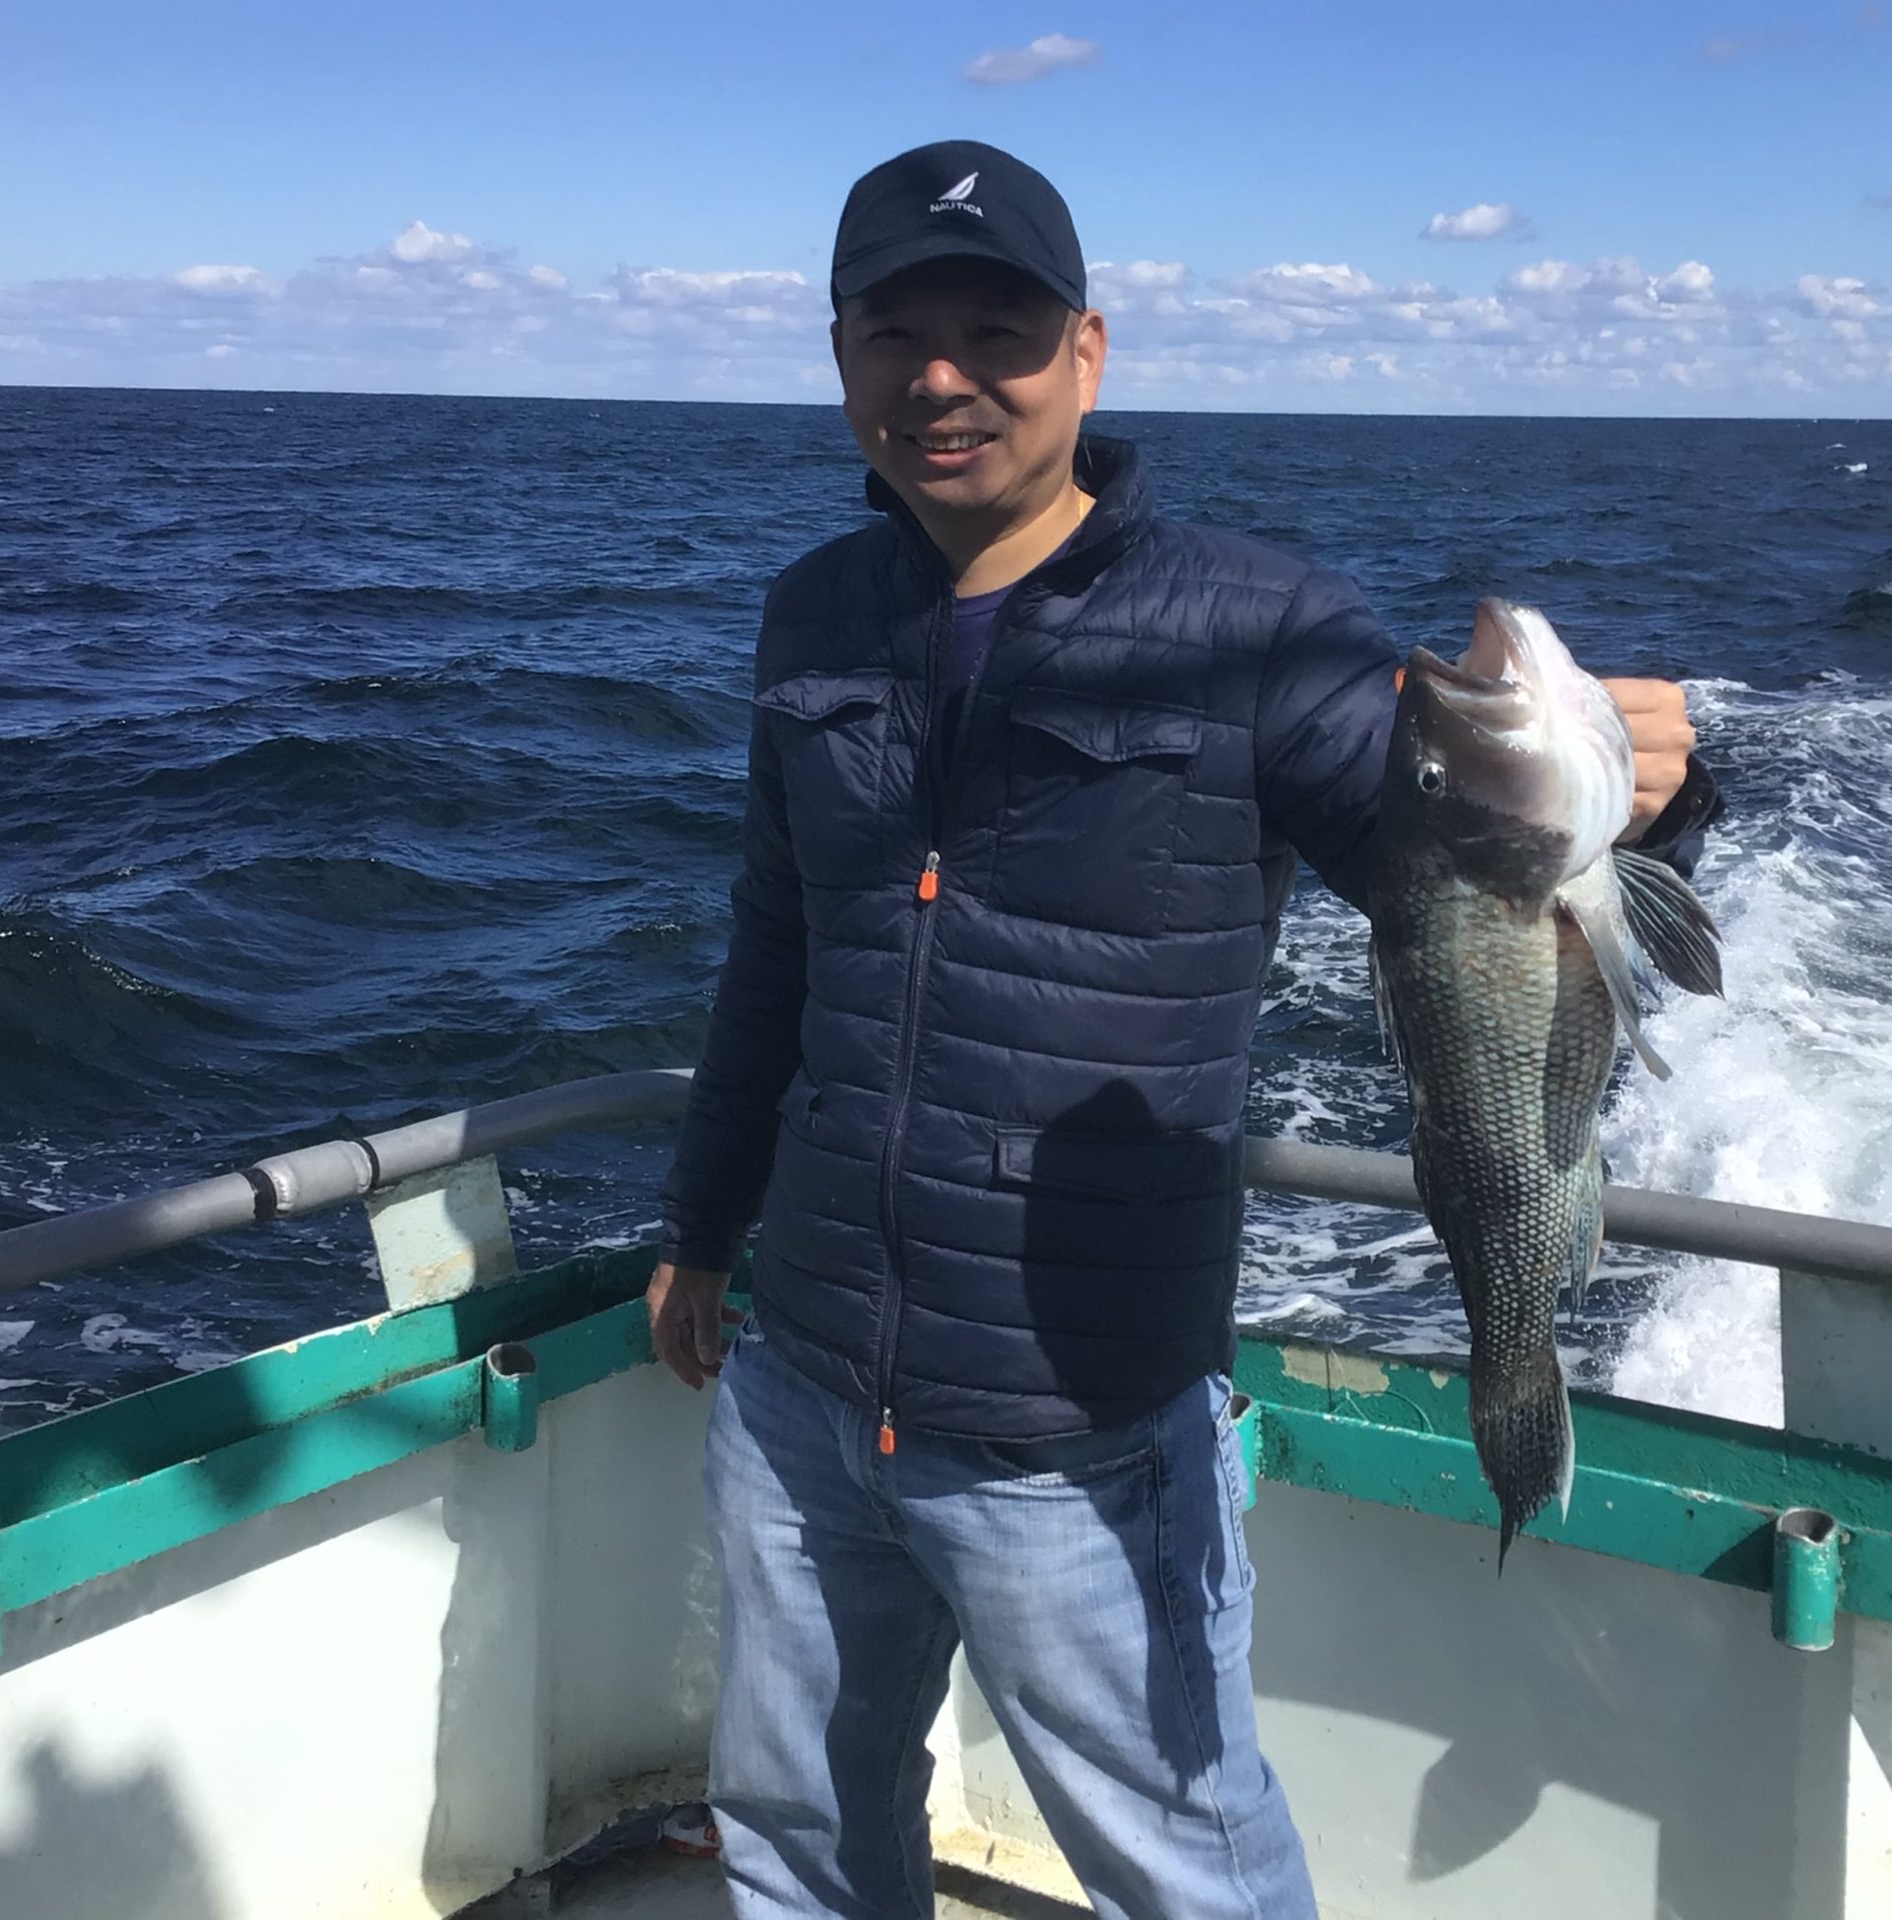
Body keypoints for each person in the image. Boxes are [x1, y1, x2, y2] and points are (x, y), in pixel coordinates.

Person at [646, 140, 1720, 1919]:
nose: (939, 379)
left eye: (993, 332)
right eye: (893, 333)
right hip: (804, 1378)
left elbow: (1439, 857)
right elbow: (778, 947)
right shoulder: (813, 614)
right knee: (799, 1842)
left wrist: (1658, 800)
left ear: (1086, 351)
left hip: (1077, 1414)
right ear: (837, 358)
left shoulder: (1257, 624)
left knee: (1185, 1863)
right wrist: (702, 1228)